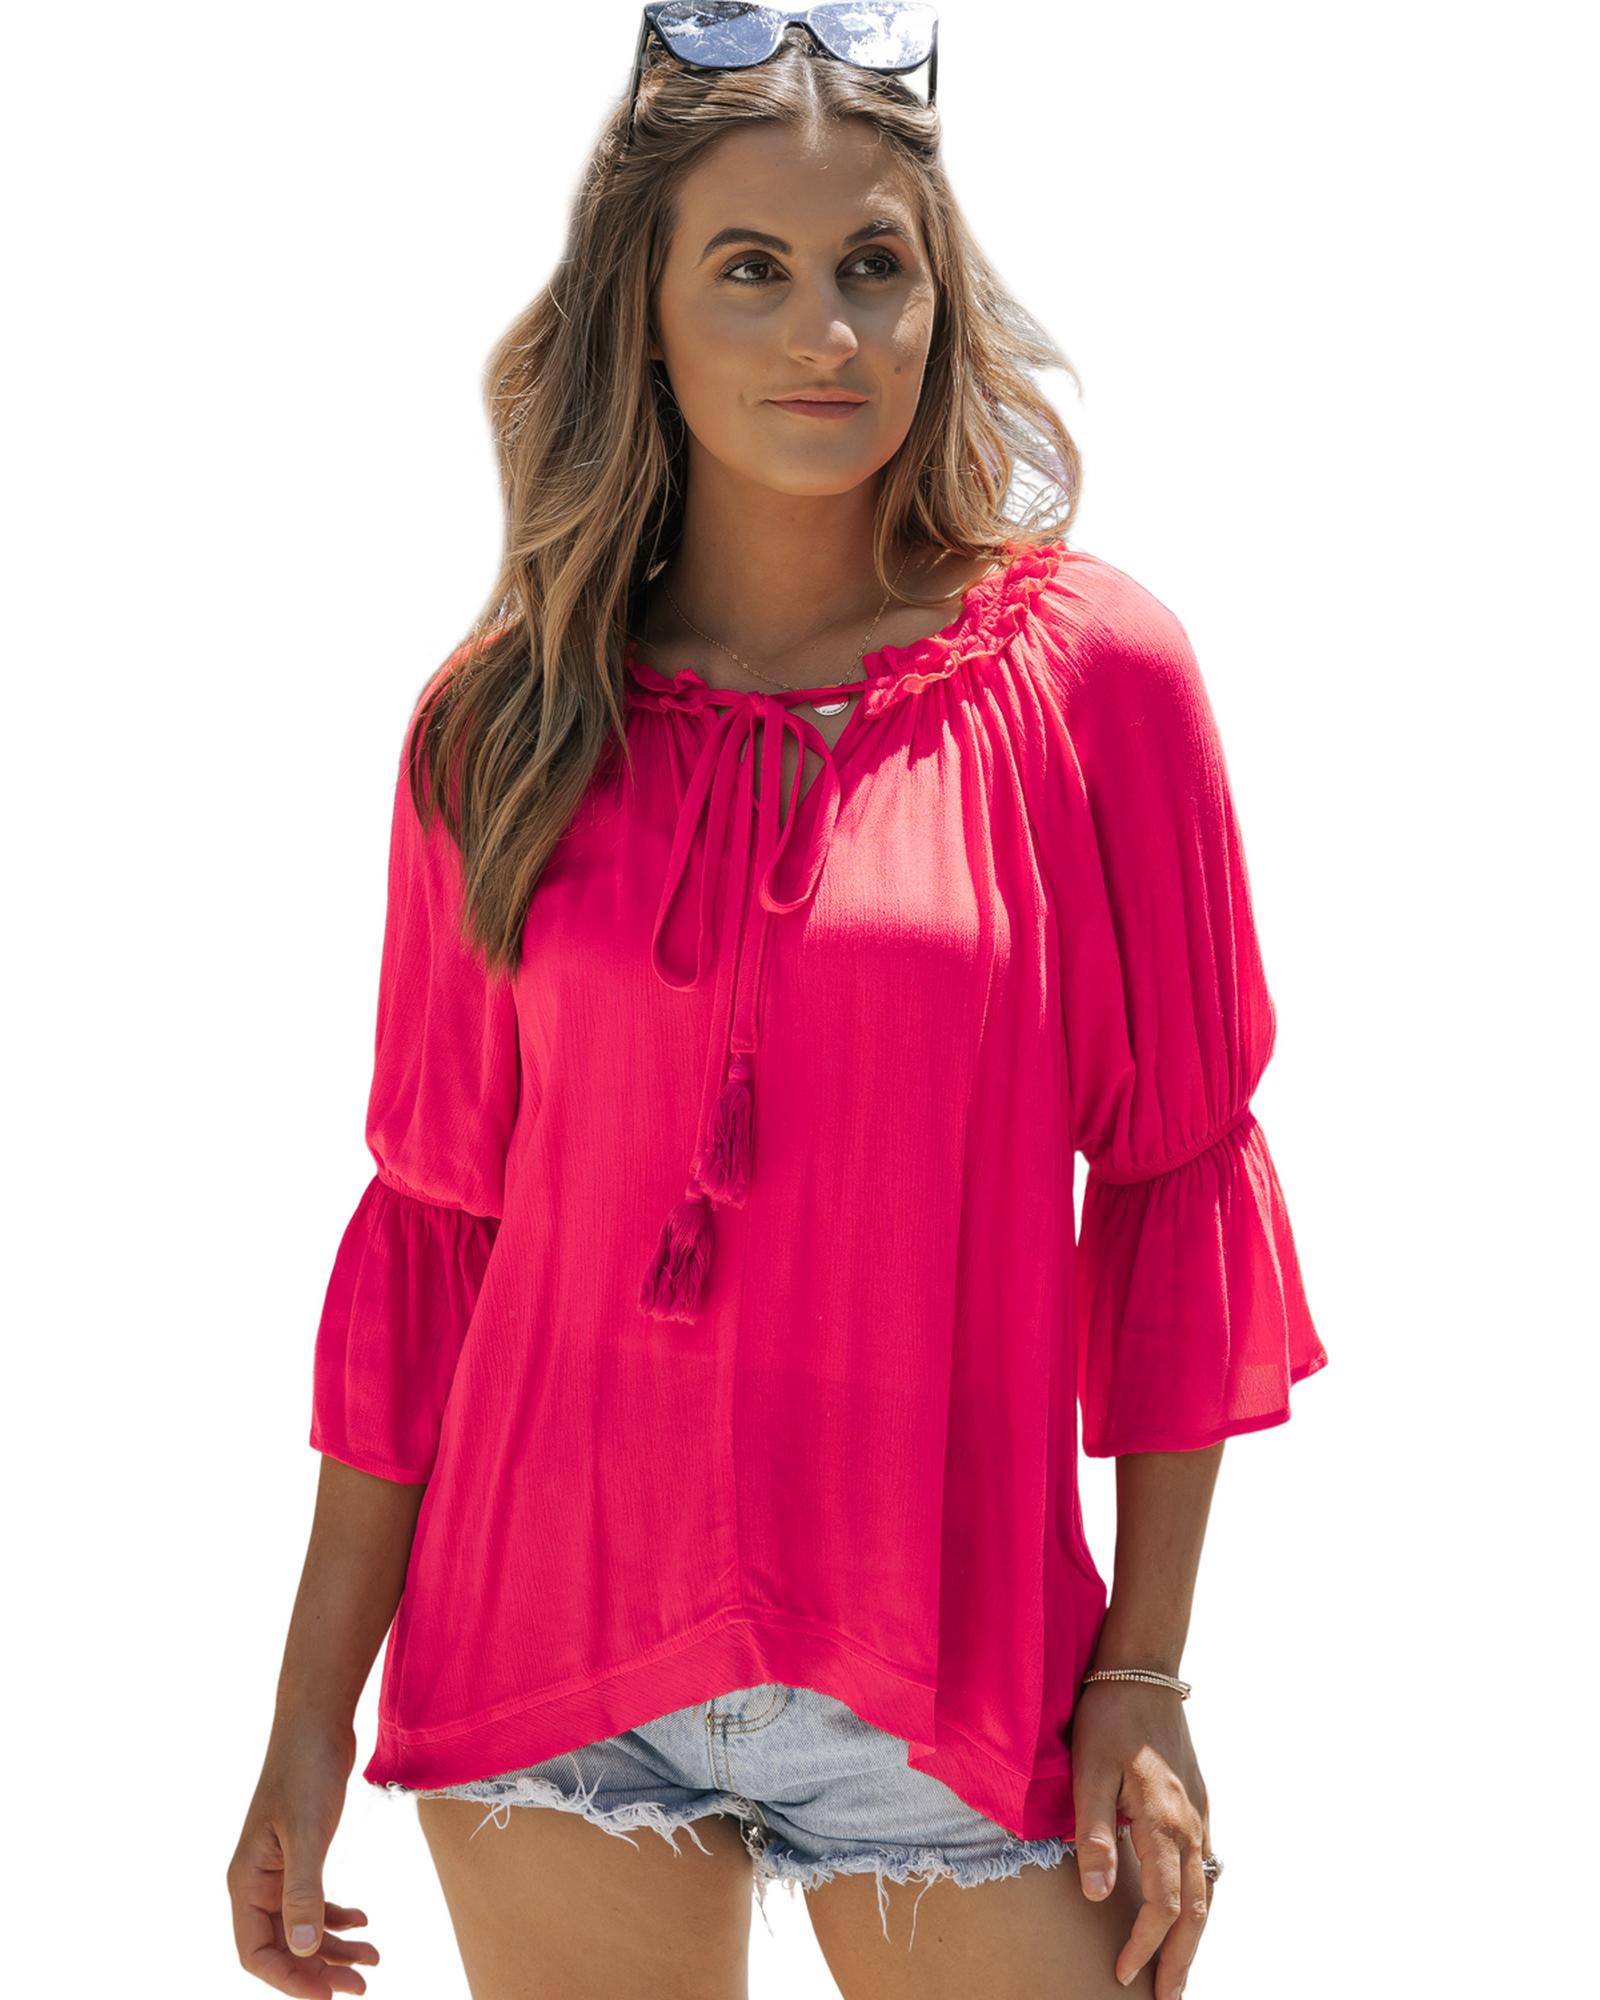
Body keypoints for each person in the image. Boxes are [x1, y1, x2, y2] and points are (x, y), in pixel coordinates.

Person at [228, 8, 1329, 1997]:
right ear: (641, 315)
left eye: (871, 266)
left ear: (937, 299)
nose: (826, 330)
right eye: (750, 268)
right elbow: (437, 1233)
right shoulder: (500, 727)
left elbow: (1176, 1184)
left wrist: (1147, 1669)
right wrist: (307, 1718)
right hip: (549, 1661)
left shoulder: (1097, 682)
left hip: (957, 1671)